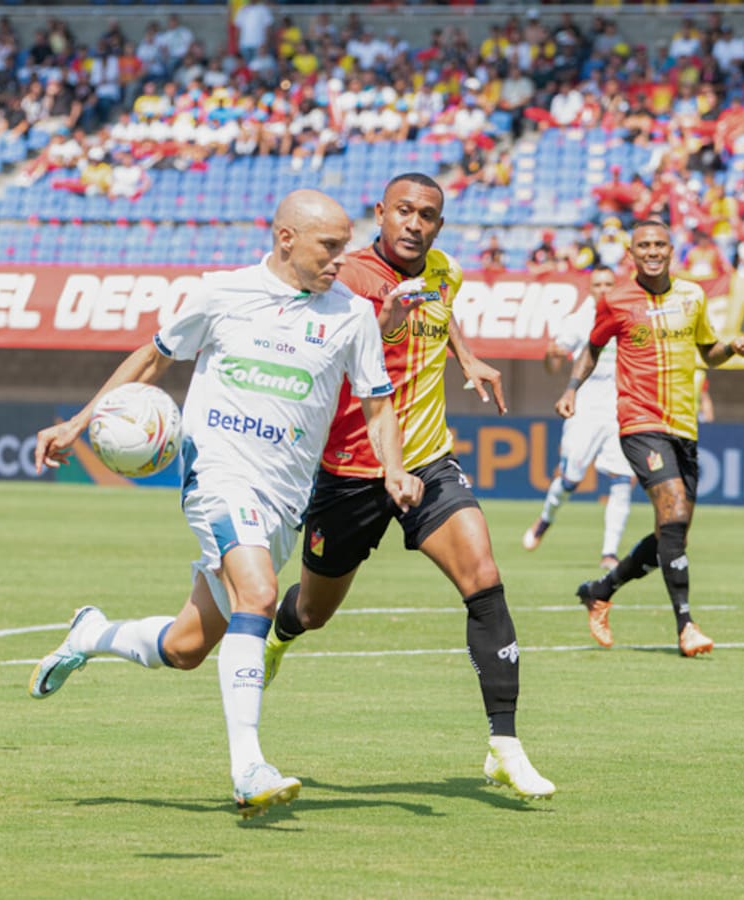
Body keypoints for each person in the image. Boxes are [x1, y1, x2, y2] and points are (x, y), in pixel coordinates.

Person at [28, 189, 422, 818]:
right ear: (285, 238)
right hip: (218, 476)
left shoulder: (351, 315)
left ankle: (92, 633)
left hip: (285, 499)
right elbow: (151, 360)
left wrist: (395, 468)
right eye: (328, 246)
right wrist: (79, 423)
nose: (339, 260)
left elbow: (378, 404)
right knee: (260, 597)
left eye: (345, 247)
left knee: (186, 647)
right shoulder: (221, 293)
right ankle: (249, 769)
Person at [262, 173, 555, 800]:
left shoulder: (443, 269)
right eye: (404, 211)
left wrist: (466, 355)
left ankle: (504, 744)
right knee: (314, 610)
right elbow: (337, 356)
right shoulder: (347, 278)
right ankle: (279, 637)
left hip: (426, 461)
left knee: (484, 575)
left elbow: (439, 309)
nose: (415, 223)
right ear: (381, 213)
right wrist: (389, 328)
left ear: (439, 226)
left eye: (427, 215)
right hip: (351, 469)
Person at [557, 220, 744, 656]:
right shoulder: (617, 300)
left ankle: (600, 589)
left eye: (659, 244)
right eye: (643, 244)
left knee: (673, 531)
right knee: (675, 509)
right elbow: (592, 346)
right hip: (640, 422)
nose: (651, 251)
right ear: (631, 251)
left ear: (671, 249)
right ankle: (686, 627)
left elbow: (708, 353)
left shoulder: (692, 295)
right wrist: (572, 388)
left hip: (684, 426)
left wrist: (731, 348)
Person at [523, 265, 635, 583]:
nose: (603, 289)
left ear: (617, 285)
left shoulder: (627, 314)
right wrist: (552, 355)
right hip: (585, 407)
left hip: (620, 408)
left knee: (621, 480)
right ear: (589, 288)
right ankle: (545, 520)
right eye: (597, 284)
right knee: (570, 478)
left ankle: (609, 552)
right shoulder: (579, 319)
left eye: (608, 283)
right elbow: (553, 364)